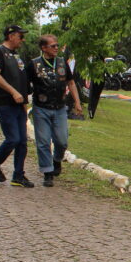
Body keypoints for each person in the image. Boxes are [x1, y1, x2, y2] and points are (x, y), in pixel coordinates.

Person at [27, 34, 82, 187]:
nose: (56, 48)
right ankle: (47, 172)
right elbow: (25, 83)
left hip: (59, 108)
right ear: (43, 48)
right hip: (41, 108)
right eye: (53, 46)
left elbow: (71, 82)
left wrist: (77, 102)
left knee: (62, 141)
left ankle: (57, 159)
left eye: (57, 45)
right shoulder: (34, 64)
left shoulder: (62, 62)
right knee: (43, 142)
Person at [0, 24, 34, 187]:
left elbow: (21, 79)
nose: (22, 40)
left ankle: (18, 175)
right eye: (20, 36)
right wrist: (13, 92)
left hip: (19, 105)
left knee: (22, 142)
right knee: (13, 138)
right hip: (5, 103)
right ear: (11, 36)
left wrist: (24, 101)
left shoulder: (16, 55)